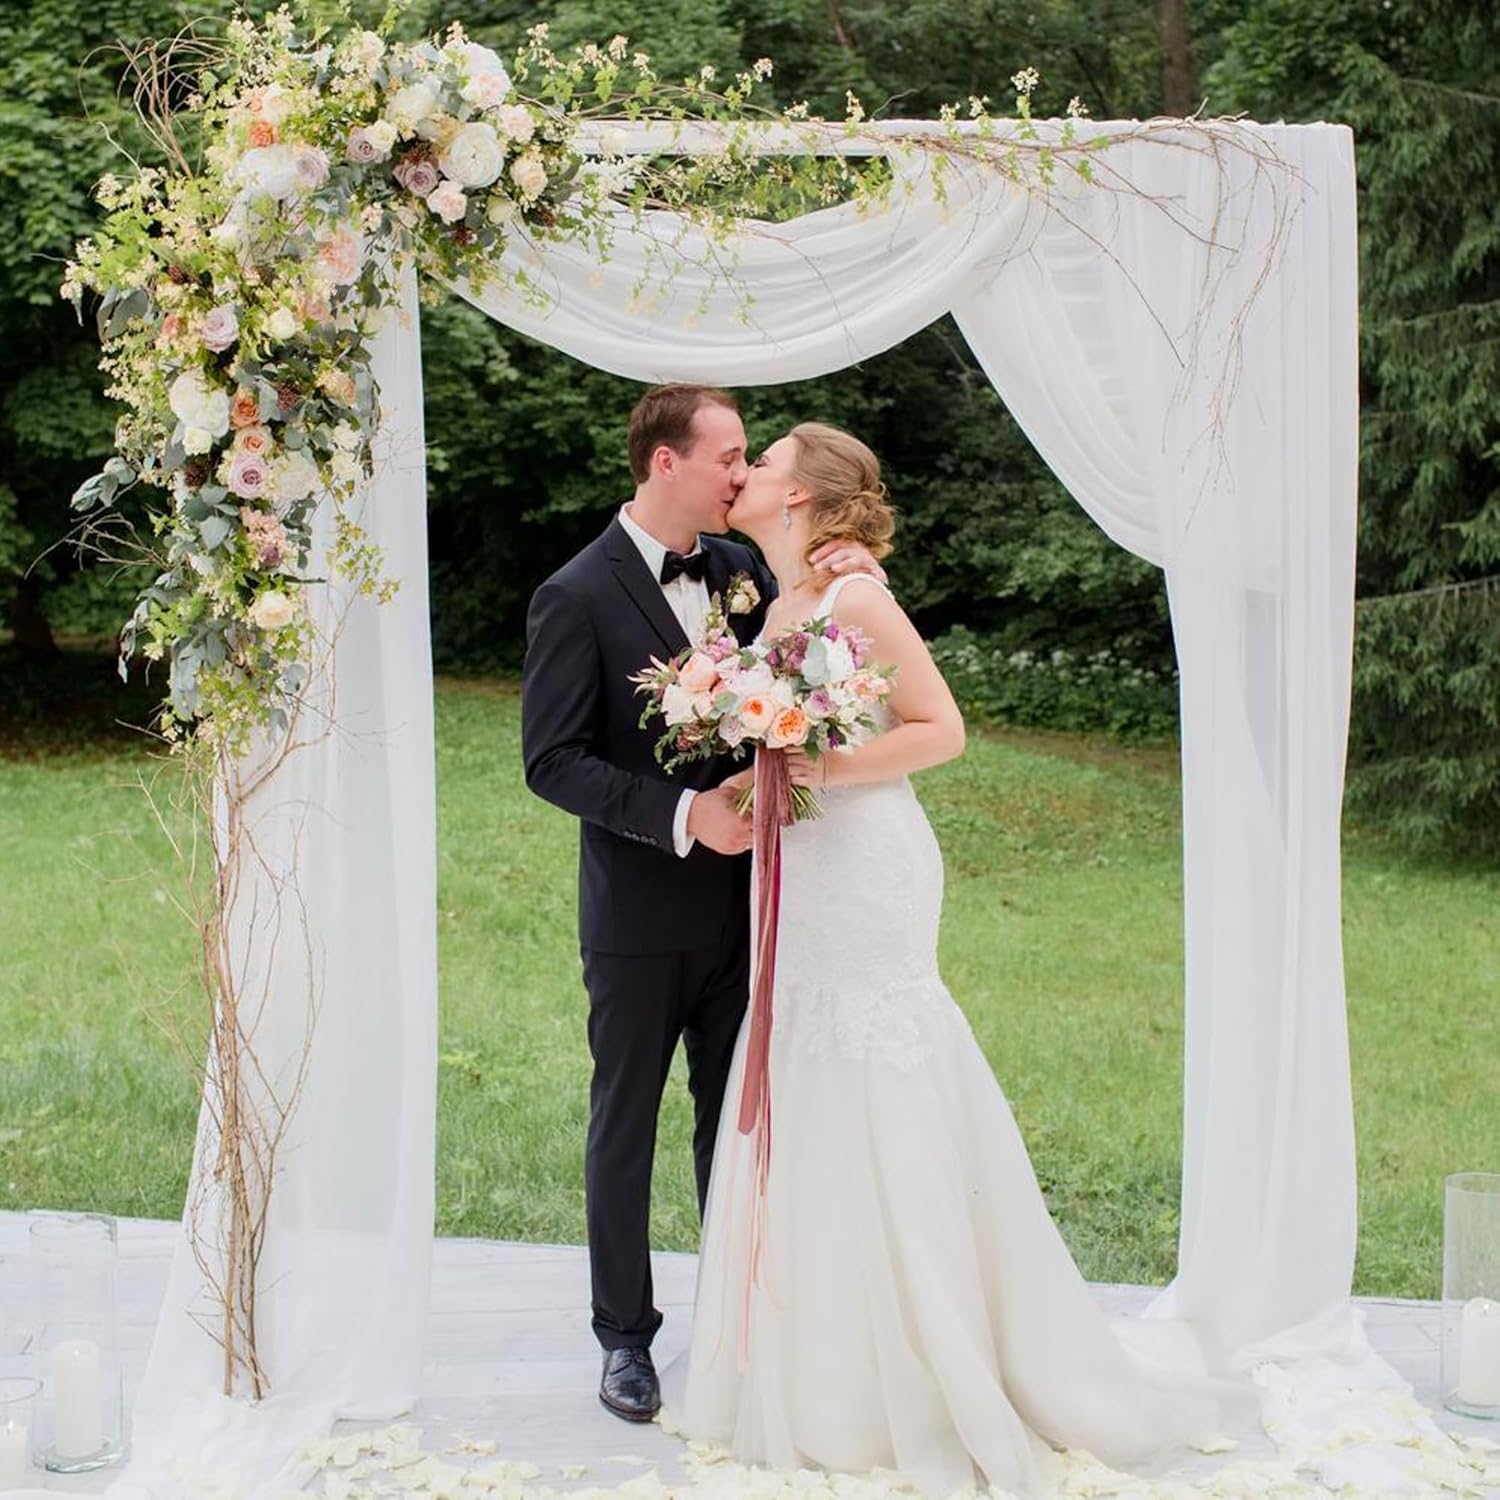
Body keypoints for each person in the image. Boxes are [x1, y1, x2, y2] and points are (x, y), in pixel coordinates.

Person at [663, 422, 1228, 1499]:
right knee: (807, 1066)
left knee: (876, 1068)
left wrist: (819, 770)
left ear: (803, 495)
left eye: (764, 460)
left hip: (866, 868)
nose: (745, 472)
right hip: (800, 872)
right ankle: (819, 1364)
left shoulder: (856, 599)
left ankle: (928, 1362)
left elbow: (942, 728)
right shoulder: (777, 603)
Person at [520, 387, 884, 1424]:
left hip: (753, 907)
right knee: (625, 1123)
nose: (741, 472)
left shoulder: (742, 571)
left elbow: (818, 646)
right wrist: (686, 816)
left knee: (737, 1121)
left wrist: (847, 565)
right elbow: (552, 761)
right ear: (666, 463)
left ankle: (740, 1322)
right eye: (728, 456)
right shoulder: (573, 594)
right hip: (639, 913)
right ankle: (624, 1339)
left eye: (747, 457)